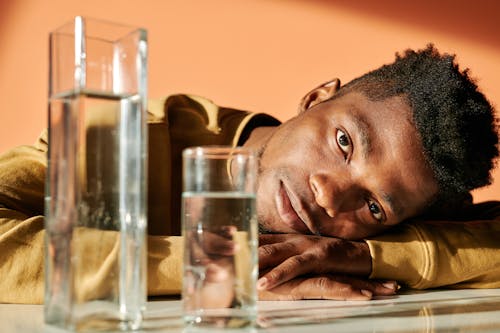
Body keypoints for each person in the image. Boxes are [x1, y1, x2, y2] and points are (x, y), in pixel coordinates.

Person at [0, 44, 498, 304]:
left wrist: (363, 255)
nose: (329, 197)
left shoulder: (351, 239)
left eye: (372, 206)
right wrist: (226, 264)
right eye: (344, 142)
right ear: (314, 99)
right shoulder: (130, 135)